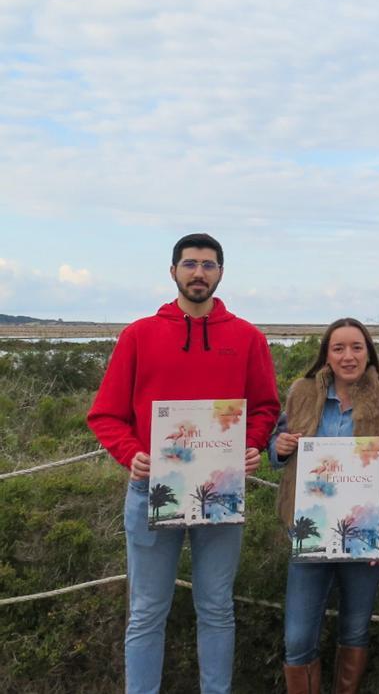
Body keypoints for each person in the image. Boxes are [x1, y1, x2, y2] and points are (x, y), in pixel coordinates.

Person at [86, 233, 280, 694]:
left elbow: (266, 407)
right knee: (147, 611)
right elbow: (105, 414)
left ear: (221, 273)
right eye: (190, 264)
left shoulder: (248, 338)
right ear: (173, 271)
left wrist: (251, 444)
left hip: (221, 489)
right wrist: (131, 454)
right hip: (151, 488)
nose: (199, 273)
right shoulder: (138, 335)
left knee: (216, 608)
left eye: (208, 265)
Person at [269, 318, 379, 694]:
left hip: (365, 537)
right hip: (308, 534)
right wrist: (278, 448)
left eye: (356, 347)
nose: (348, 356)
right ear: (327, 355)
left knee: (354, 631)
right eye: (338, 348)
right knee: (298, 639)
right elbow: (277, 447)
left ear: (369, 353)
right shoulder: (301, 393)